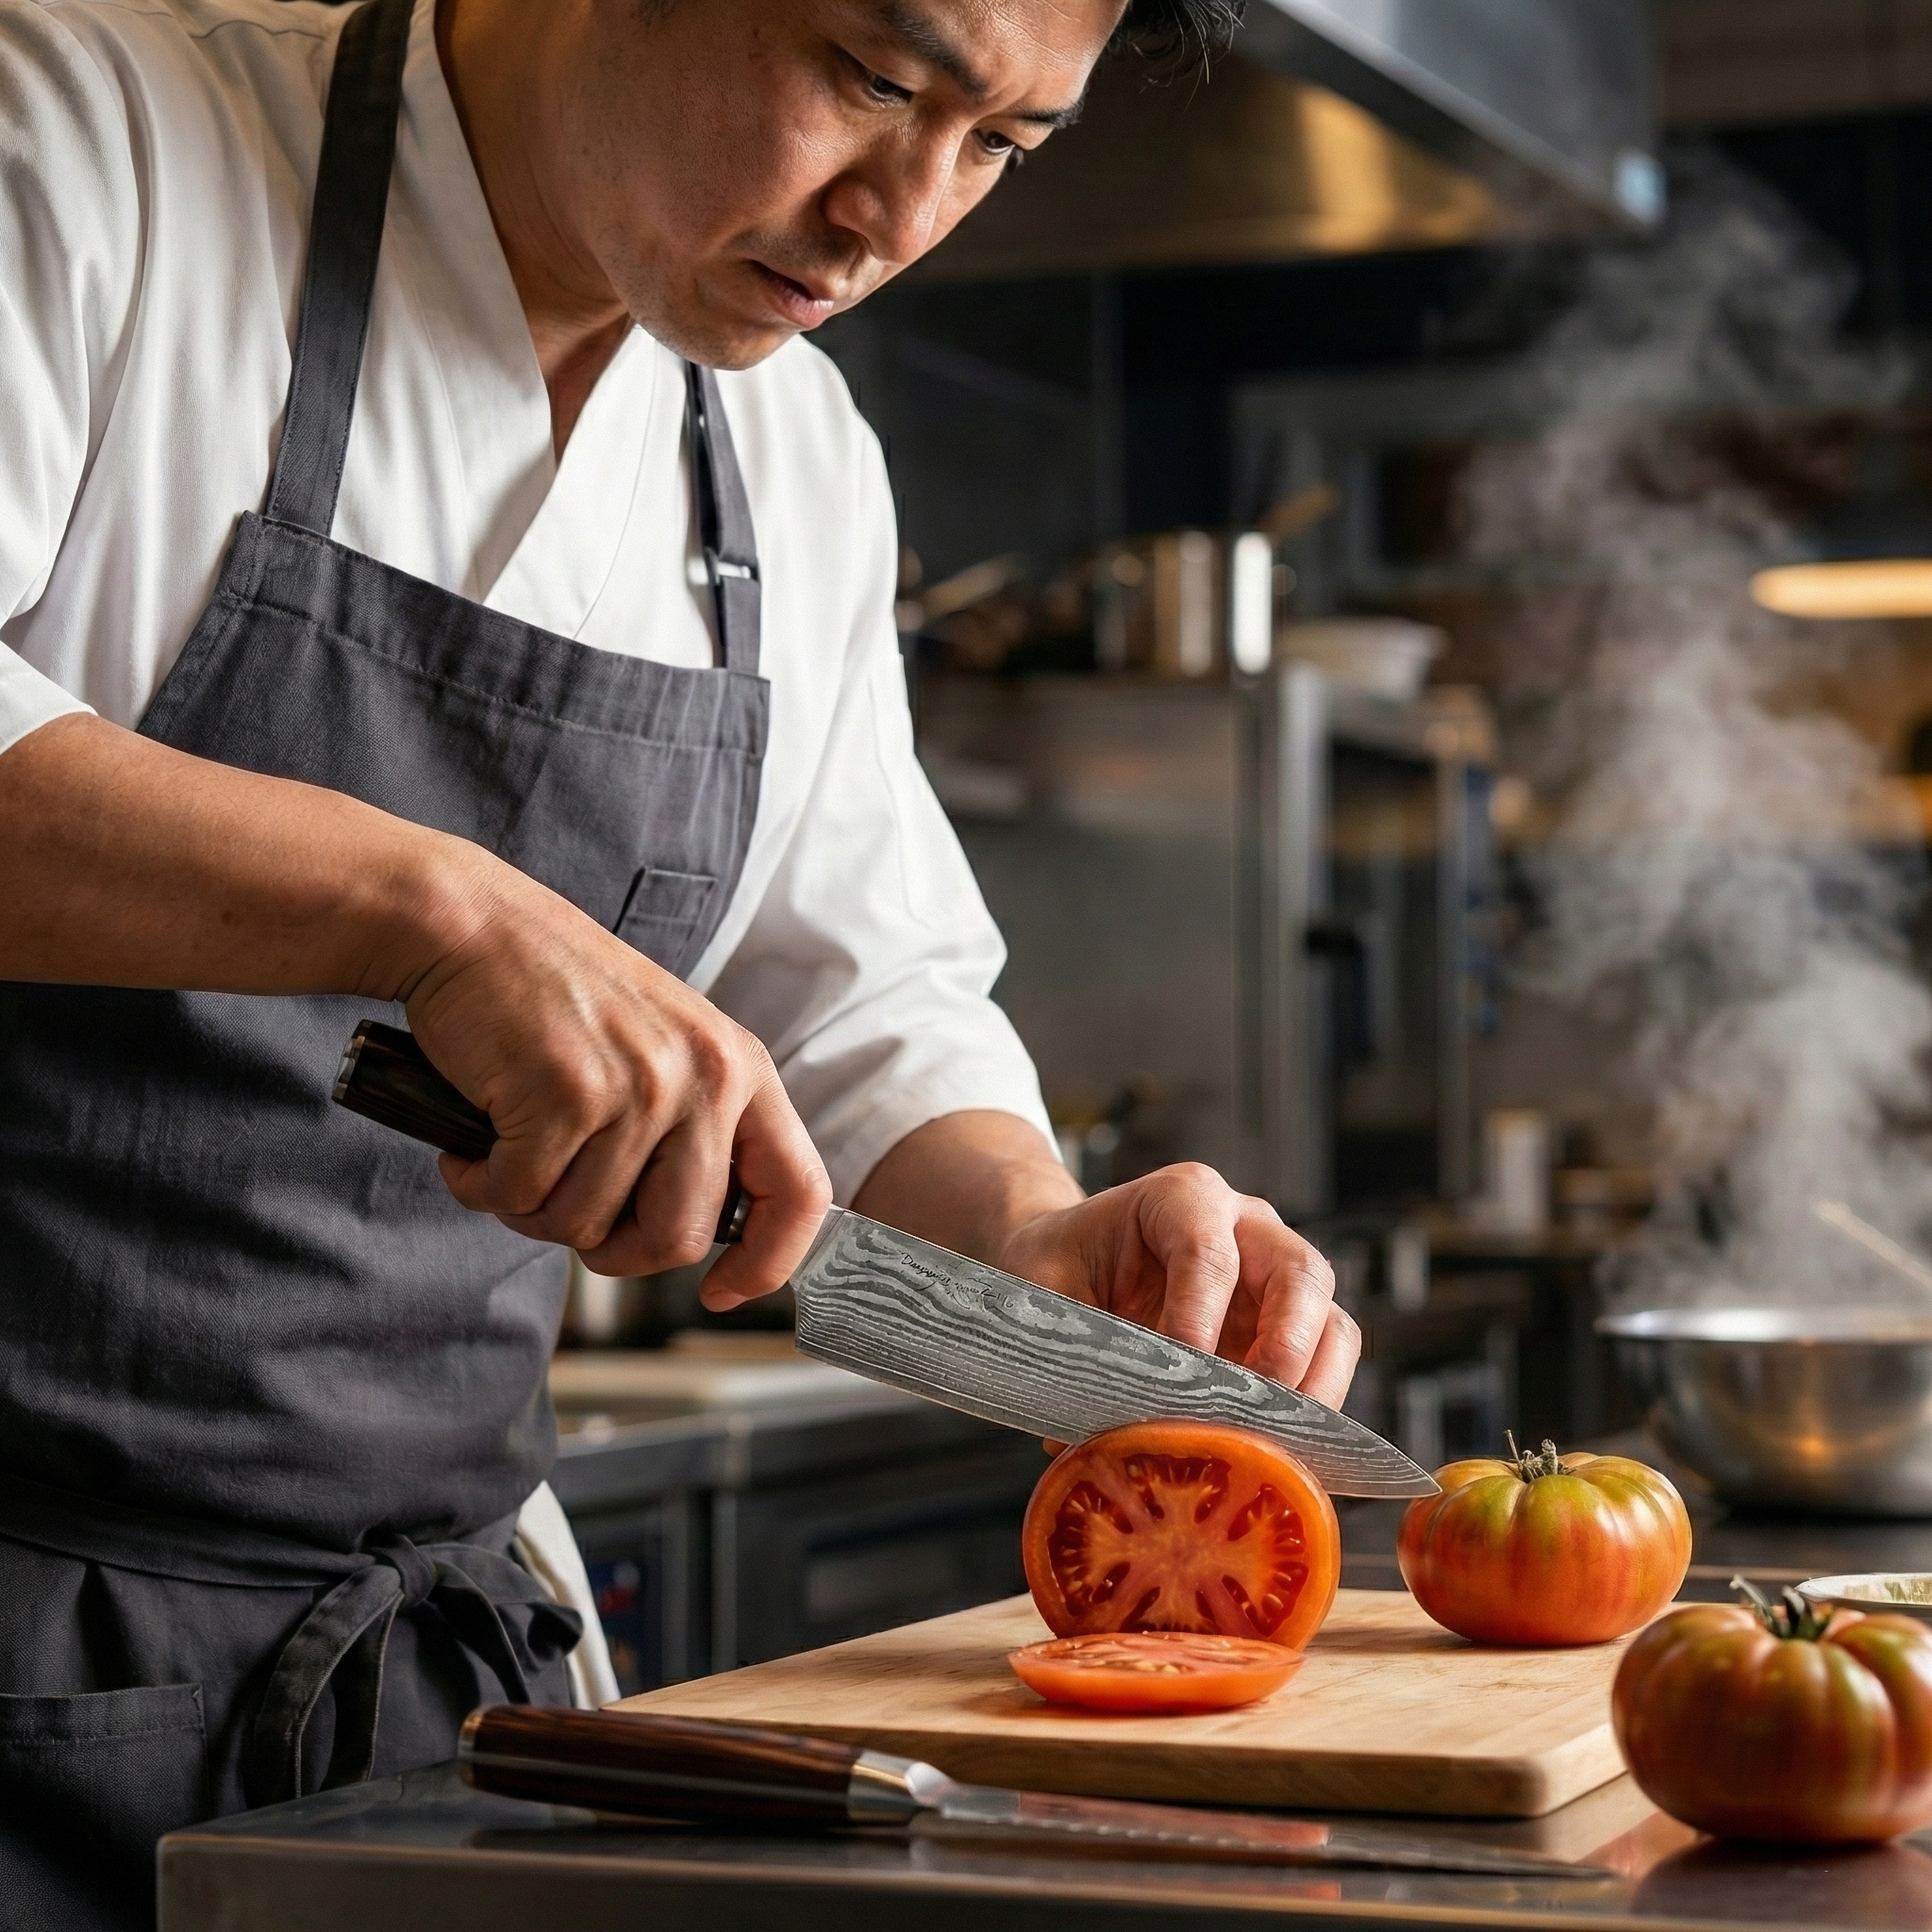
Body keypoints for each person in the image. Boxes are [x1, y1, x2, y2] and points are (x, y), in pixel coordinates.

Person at [0, 0, 1358, 1921]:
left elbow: (865, 999)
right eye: (877, 79)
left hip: (435, 1707)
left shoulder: (789, 455)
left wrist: (1037, 1239)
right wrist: (442, 908)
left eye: (1002, 146)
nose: (899, 210)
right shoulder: (88, 138)